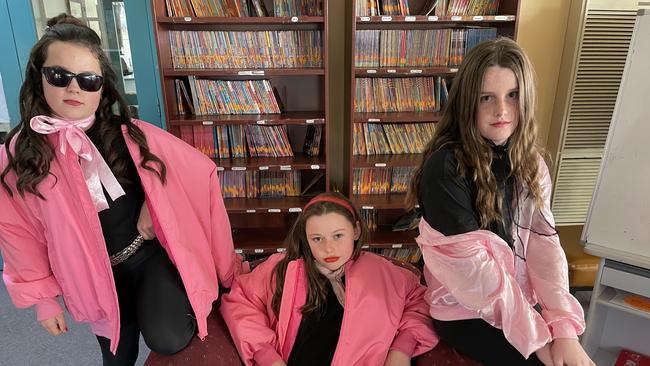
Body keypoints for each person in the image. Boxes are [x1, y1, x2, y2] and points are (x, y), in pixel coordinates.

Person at [0, 14, 244, 366]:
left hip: (145, 257)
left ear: (102, 87)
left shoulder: (128, 134)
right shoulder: (18, 155)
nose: (74, 89)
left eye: (88, 80)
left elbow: (197, 172)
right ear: (39, 78)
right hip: (89, 278)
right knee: (118, 356)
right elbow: (17, 234)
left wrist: (156, 205)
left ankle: (179, 298)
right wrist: (44, 299)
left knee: (169, 336)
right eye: (59, 76)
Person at [406, 37, 594, 366]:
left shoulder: (531, 162)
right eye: (486, 98)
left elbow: (543, 246)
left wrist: (563, 328)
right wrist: (537, 340)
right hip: (463, 307)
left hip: (514, 298)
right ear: (467, 103)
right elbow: (475, 276)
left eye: (513, 96)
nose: (502, 111)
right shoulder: (445, 167)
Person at [220, 192, 438, 366]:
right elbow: (241, 302)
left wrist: (401, 351)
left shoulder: (383, 272)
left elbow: (422, 302)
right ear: (306, 239)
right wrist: (267, 356)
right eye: (317, 239)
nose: (328, 248)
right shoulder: (281, 269)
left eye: (338, 235)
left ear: (355, 230)